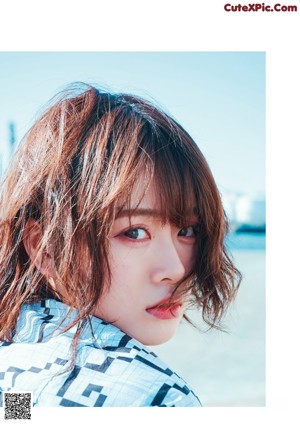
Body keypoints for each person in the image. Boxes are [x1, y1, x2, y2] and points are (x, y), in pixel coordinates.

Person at [0, 83, 241, 407]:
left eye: (187, 230)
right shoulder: (153, 399)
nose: (175, 269)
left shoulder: (15, 368)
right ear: (45, 247)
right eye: (135, 232)